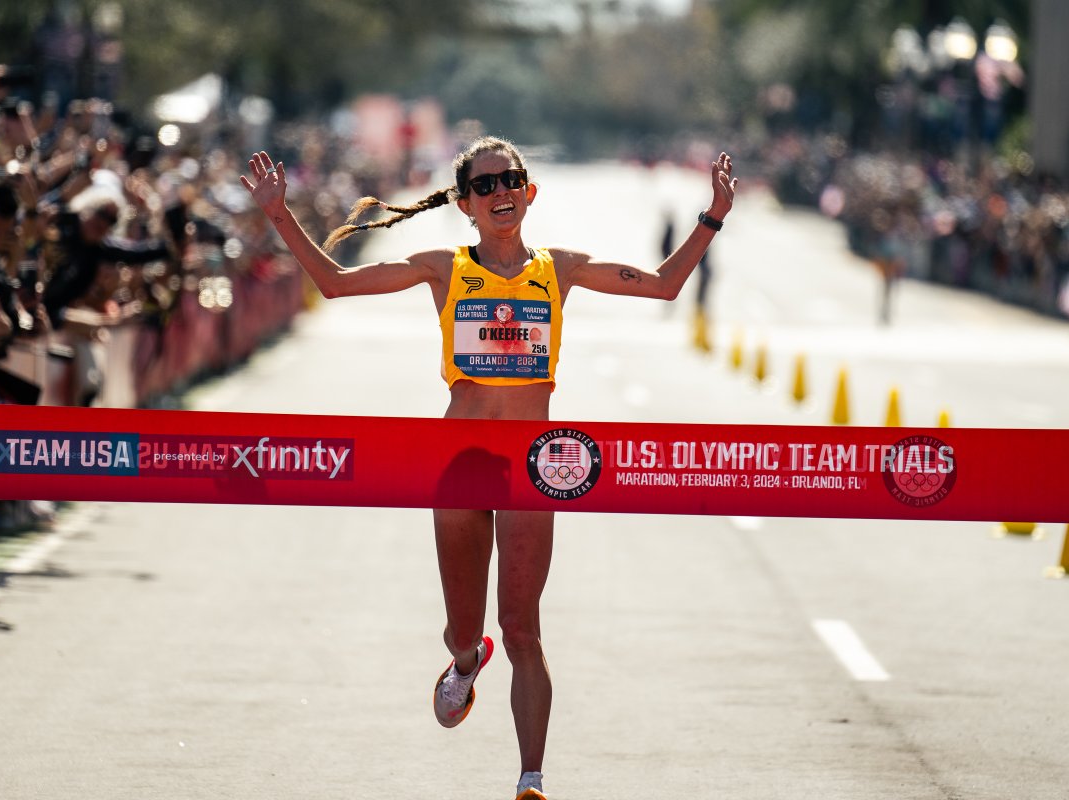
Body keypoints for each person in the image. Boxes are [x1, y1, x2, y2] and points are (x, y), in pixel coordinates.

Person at [242, 136, 736, 800]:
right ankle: (465, 660)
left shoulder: (558, 268)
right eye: (484, 186)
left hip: (533, 464)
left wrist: (714, 214)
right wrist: (278, 214)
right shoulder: (444, 268)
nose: (499, 193)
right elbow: (334, 283)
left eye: (510, 181)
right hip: (461, 462)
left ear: (529, 193)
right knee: (465, 627)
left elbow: (666, 285)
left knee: (524, 626)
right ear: (466, 205)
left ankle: (532, 777)